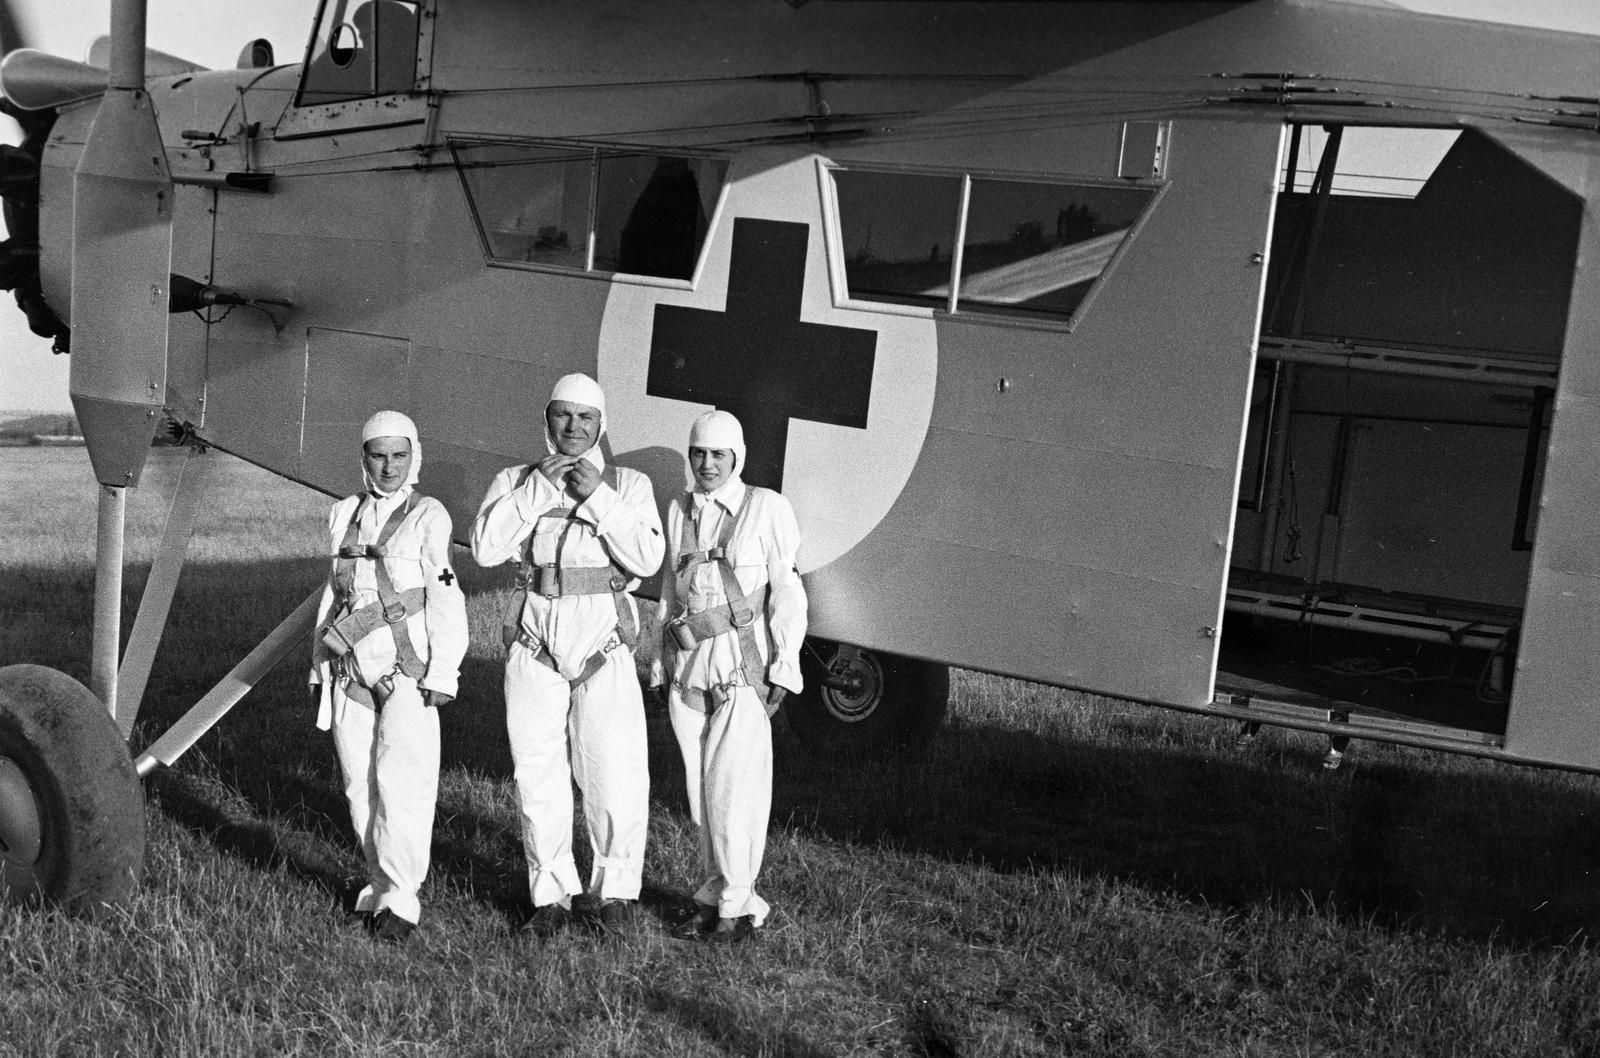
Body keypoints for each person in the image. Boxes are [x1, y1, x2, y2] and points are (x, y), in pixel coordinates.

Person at [471, 373, 664, 937]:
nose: (573, 428)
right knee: (538, 773)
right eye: (562, 416)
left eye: (585, 418)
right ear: (547, 419)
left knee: (614, 771)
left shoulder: (628, 483)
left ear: (601, 424)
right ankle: (551, 894)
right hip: (535, 643)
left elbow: (648, 558)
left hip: (602, 642)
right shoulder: (515, 479)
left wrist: (595, 495)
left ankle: (615, 895)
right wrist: (535, 494)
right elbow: (485, 548)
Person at [310, 410, 467, 944]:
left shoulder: (429, 516)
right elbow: (334, 594)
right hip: (351, 668)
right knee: (360, 786)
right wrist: (319, 661)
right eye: (378, 455)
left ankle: (402, 899)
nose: (389, 466)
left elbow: (445, 592)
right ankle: (377, 886)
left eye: (399, 455)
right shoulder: (343, 514)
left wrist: (444, 671)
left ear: (413, 457)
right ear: (363, 458)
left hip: (408, 670)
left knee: (404, 786)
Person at [654, 409, 807, 943]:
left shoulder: (765, 507)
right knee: (702, 796)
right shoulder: (679, 509)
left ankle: (739, 908)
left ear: (737, 457)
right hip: (688, 672)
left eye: (719, 455)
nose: (707, 464)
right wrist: (659, 656)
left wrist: (785, 664)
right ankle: (712, 892)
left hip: (741, 671)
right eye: (699, 454)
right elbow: (672, 592)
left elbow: (787, 591)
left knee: (734, 795)